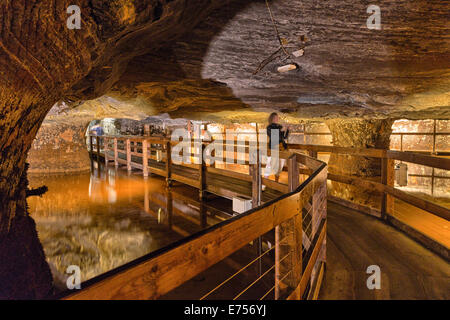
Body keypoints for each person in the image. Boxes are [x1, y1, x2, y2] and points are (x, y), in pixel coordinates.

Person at [263, 113, 290, 189]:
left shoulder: (279, 126)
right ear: (272, 118)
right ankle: (264, 184)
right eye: (276, 117)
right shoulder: (269, 127)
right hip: (273, 148)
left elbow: (284, 137)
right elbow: (274, 137)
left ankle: (276, 183)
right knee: (269, 164)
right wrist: (281, 130)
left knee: (280, 166)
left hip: (282, 148)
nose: (277, 119)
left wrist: (287, 130)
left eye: (278, 117)